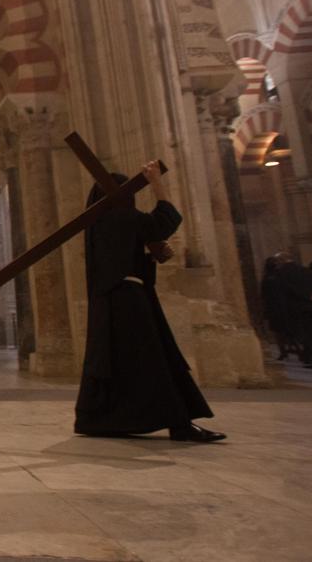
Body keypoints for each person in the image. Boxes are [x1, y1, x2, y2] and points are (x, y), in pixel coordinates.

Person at [74, 162, 225, 443]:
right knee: (155, 360)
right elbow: (166, 220)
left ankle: (100, 419)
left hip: (112, 301)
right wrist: (156, 182)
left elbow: (125, 254)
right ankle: (179, 424)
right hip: (129, 302)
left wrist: (147, 255)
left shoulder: (98, 224)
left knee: (119, 362)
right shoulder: (123, 218)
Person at [272, 253, 312, 369]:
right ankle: (308, 356)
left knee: (307, 334)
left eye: (277, 262)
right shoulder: (305, 270)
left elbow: (288, 290)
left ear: (280, 261)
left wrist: (307, 296)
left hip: (298, 307)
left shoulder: (282, 273)